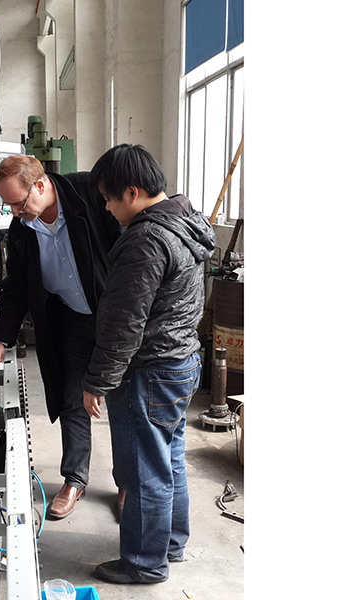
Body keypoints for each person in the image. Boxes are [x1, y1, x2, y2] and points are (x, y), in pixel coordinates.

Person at [81, 144, 216, 584]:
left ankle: (143, 562)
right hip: (182, 361)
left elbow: (124, 323)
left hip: (150, 370)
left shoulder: (145, 240)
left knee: (144, 471)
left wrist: (98, 381)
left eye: (109, 198)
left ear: (132, 192)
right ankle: (170, 543)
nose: (106, 207)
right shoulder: (186, 222)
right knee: (168, 459)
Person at [0, 154, 123, 519]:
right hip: (71, 319)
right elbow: (15, 286)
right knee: (71, 400)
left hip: (115, 320)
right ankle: (75, 478)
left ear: (41, 185)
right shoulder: (22, 228)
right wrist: (1, 338)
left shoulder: (90, 194)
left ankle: (128, 483)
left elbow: (127, 245)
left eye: (18, 203)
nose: (14, 212)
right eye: (9, 206)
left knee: (122, 400)